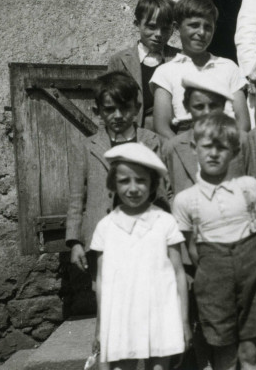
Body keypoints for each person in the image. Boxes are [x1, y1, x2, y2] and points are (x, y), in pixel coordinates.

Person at [172, 114, 256, 370]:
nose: (214, 154)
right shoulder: (186, 200)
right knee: (225, 354)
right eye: (208, 146)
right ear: (195, 149)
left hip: (252, 271)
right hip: (214, 278)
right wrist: (215, 266)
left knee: (252, 350)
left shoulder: (248, 187)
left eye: (222, 147)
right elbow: (192, 247)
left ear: (234, 151)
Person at [91, 143, 189, 369]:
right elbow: (102, 283)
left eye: (141, 180)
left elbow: (178, 273)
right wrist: (100, 327)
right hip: (122, 316)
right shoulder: (106, 227)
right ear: (113, 184)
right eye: (125, 181)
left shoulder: (165, 222)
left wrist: (183, 321)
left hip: (160, 313)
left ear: (153, 184)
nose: (133, 188)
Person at [67, 71, 167, 274]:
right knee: (109, 298)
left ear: (137, 108)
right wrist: (75, 241)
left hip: (146, 237)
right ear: (98, 112)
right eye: (110, 110)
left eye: (125, 108)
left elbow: (166, 191)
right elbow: (77, 198)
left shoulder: (152, 142)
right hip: (103, 241)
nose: (118, 116)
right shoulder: (88, 147)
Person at [150, 0, 250, 139]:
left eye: (208, 27)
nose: (202, 33)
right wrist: (182, 150)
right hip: (184, 139)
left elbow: (243, 122)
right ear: (177, 27)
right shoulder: (165, 72)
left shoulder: (228, 67)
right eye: (194, 25)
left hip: (227, 138)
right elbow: (161, 127)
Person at [162, 75, 244, 195]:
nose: (207, 112)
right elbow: (166, 193)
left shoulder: (242, 140)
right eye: (199, 107)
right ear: (186, 107)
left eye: (213, 106)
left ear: (223, 105)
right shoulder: (173, 147)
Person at [107, 0, 179, 129]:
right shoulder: (119, 61)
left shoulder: (180, 60)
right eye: (151, 27)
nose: (158, 34)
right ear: (137, 24)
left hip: (172, 138)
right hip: (134, 138)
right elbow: (108, 107)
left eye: (165, 28)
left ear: (173, 28)